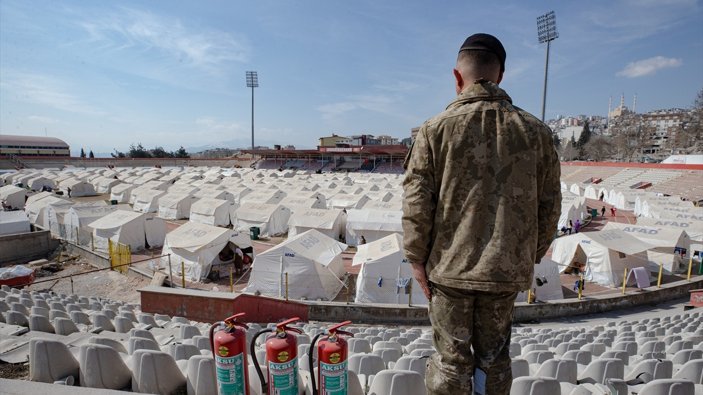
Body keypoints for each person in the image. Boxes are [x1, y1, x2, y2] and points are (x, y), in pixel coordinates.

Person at [403, 33, 561, 395]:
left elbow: (416, 203)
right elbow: (550, 205)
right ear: (500, 76)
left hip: (449, 269)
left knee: (450, 364)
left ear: (457, 78)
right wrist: (528, 254)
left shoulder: (434, 129)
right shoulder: (537, 133)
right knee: (494, 360)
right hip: (505, 270)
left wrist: (416, 260)